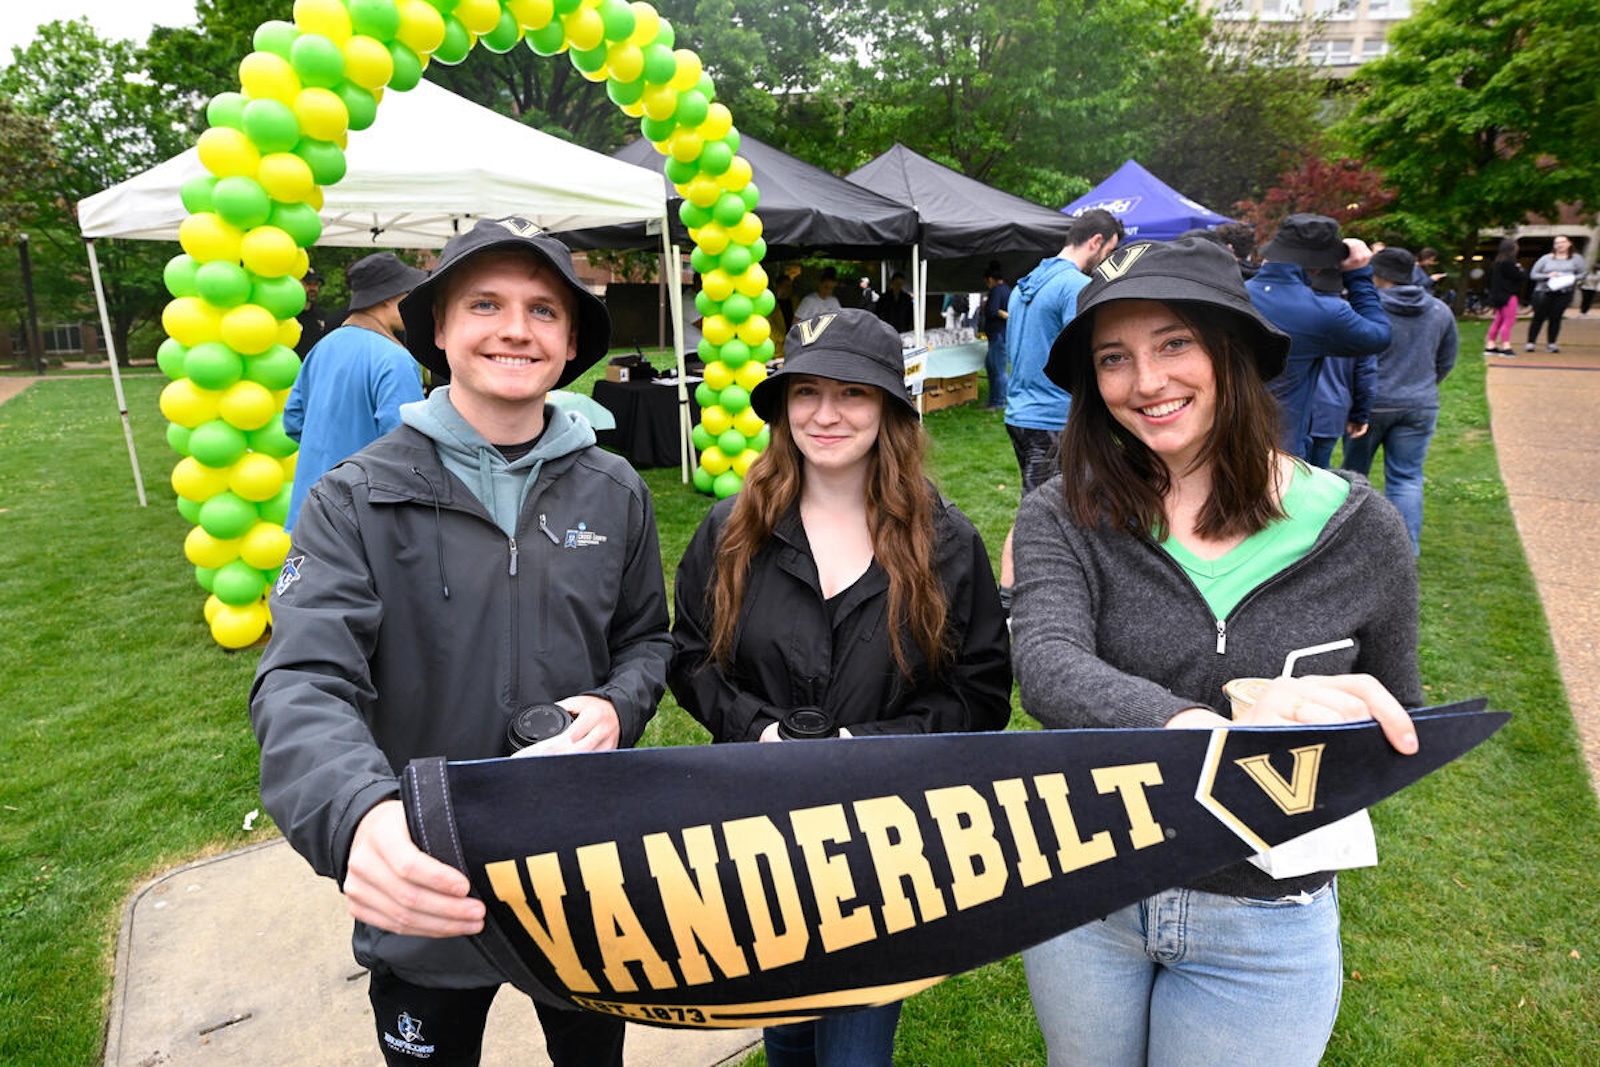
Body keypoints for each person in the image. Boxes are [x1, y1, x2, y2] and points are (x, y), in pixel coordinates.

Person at [250, 217, 674, 1067]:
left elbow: (647, 641)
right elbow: (302, 680)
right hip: (425, 873)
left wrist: (615, 702)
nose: (515, 327)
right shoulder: (356, 497)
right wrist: (356, 814)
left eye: (543, 310)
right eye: (484, 303)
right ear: (438, 330)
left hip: (579, 868)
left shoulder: (614, 486)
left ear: (568, 344)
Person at [1011, 236, 1421, 1067]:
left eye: (1174, 344)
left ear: (1229, 351)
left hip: (1265, 916)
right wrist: (1208, 721)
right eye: (1115, 358)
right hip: (1091, 884)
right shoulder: (1062, 511)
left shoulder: (1359, 528)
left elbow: (1396, 713)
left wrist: (1328, 722)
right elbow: (1049, 664)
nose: (1147, 382)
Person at [668, 308, 1013, 1067]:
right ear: (782, 406)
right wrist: (755, 727)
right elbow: (690, 657)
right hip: (755, 831)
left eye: (853, 393)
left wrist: (870, 747)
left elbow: (983, 691)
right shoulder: (730, 531)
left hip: (881, 844)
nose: (826, 414)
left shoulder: (945, 542)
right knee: (786, 1029)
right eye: (807, 392)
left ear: (889, 409)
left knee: (854, 1048)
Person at [282, 252, 428, 530]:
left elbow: (292, 421)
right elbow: (407, 446)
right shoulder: (394, 358)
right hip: (363, 518)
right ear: (388, 297)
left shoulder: (323, 347)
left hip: (310, 508)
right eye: (409, 292)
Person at [1341, 246, 1459, 554]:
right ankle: (1405, 552)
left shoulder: (1364, 307)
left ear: (1378, 275)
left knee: (1354, 477)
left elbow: (1349, 357)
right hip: (1419, 404)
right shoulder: (1439, 310)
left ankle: (1346, 546)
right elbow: (1446, 360)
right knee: (1406, 479)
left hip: (1369, 406)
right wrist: (1422, 386)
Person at [1246, 213, 1390, 459]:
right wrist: (1359, 276)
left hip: (1220, 438)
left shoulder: (1231, 293)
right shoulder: (1324, 313)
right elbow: (1379, 335)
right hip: (1281, 447)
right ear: (1319, 265)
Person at [1003, 208, 1125, 494]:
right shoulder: (1075, 286)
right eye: (1111, 250)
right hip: (1053, 417)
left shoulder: (1023, 285)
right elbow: (1086, 356)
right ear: (1096, 241)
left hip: (1020, 414)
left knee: (1043, 503)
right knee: (1050, 514)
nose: (1109, 259)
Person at [1525, 235, 1587, 353]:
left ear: (1569, 244)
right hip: (1544, 291)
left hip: (1564, 292)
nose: (1559, 245)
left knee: (1556, 318)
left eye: (1562, 242)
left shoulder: (1576, 259)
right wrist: (1548, 276)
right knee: (1539, 317)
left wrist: (1570, 278)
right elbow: (1533, 274)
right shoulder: (1546, 258)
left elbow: (1583, 273)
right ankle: (1531, 342)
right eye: (1556, 243)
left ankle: (1552, 343)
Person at [1485, 238, 1526, 356]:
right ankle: (1506, 346)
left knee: (1498, 320)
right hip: (1508, 295)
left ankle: (1490, 345)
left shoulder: (1497, 263)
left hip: (1498, 296)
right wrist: (1521, 269)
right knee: (1509, 320)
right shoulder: (1510, 263)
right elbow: (1520, 276)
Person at [981, 261, 1012, 409]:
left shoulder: (996, 291)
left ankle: (999, 402)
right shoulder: (1008, 289)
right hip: (1001, 334)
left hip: (998, 335)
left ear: (990, 279)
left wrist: (1003, 314)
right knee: (991, 366)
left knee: (998, 369)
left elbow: (992, 310)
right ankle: (994, 400)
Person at [294, 267, 332, 360]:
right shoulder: (288, 316)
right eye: (308, 284)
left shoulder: (322, 316)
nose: (313, 288)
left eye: (316, 284)